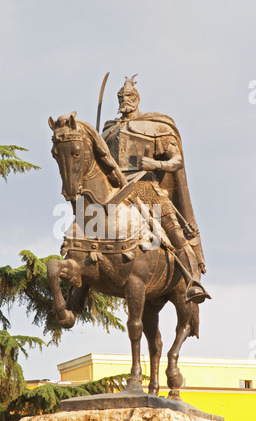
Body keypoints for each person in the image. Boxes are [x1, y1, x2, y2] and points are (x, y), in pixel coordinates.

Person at [102, 75, 209, 303]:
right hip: (114, 192)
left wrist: (156, 164)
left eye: (129, 96)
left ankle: (193, 281)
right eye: (121, 97)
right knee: (87, 223)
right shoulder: (108, 130)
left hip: (146, 188)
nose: (124, 100)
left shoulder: (155, 126)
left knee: (176, 235)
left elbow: (176, 161)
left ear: (137, 99)